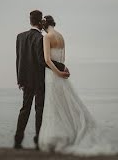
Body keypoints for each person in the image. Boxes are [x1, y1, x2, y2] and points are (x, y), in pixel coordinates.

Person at [38, 14, 118, 155]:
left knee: (54, 105)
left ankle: (57, 137)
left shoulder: (47, 37)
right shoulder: (61, 37)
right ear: (53, 23)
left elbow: (47, 60)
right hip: (62, 72)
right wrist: (63, 70)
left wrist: (58, 73)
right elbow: (63, 58)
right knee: (66, 104)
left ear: (44, 26)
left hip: (53, 75)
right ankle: (70, 134)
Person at [14, 9, 68, 149]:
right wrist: (61, 66)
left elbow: (18, 59)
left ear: (30, 21)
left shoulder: (20, 37)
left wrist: (19, 79)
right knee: (39, 109)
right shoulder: (40, 38)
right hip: (38, 80)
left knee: (24, 109)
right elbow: (43, 60)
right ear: (40, 22)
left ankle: (17, 140)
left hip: (25, 80)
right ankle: (38, 141)